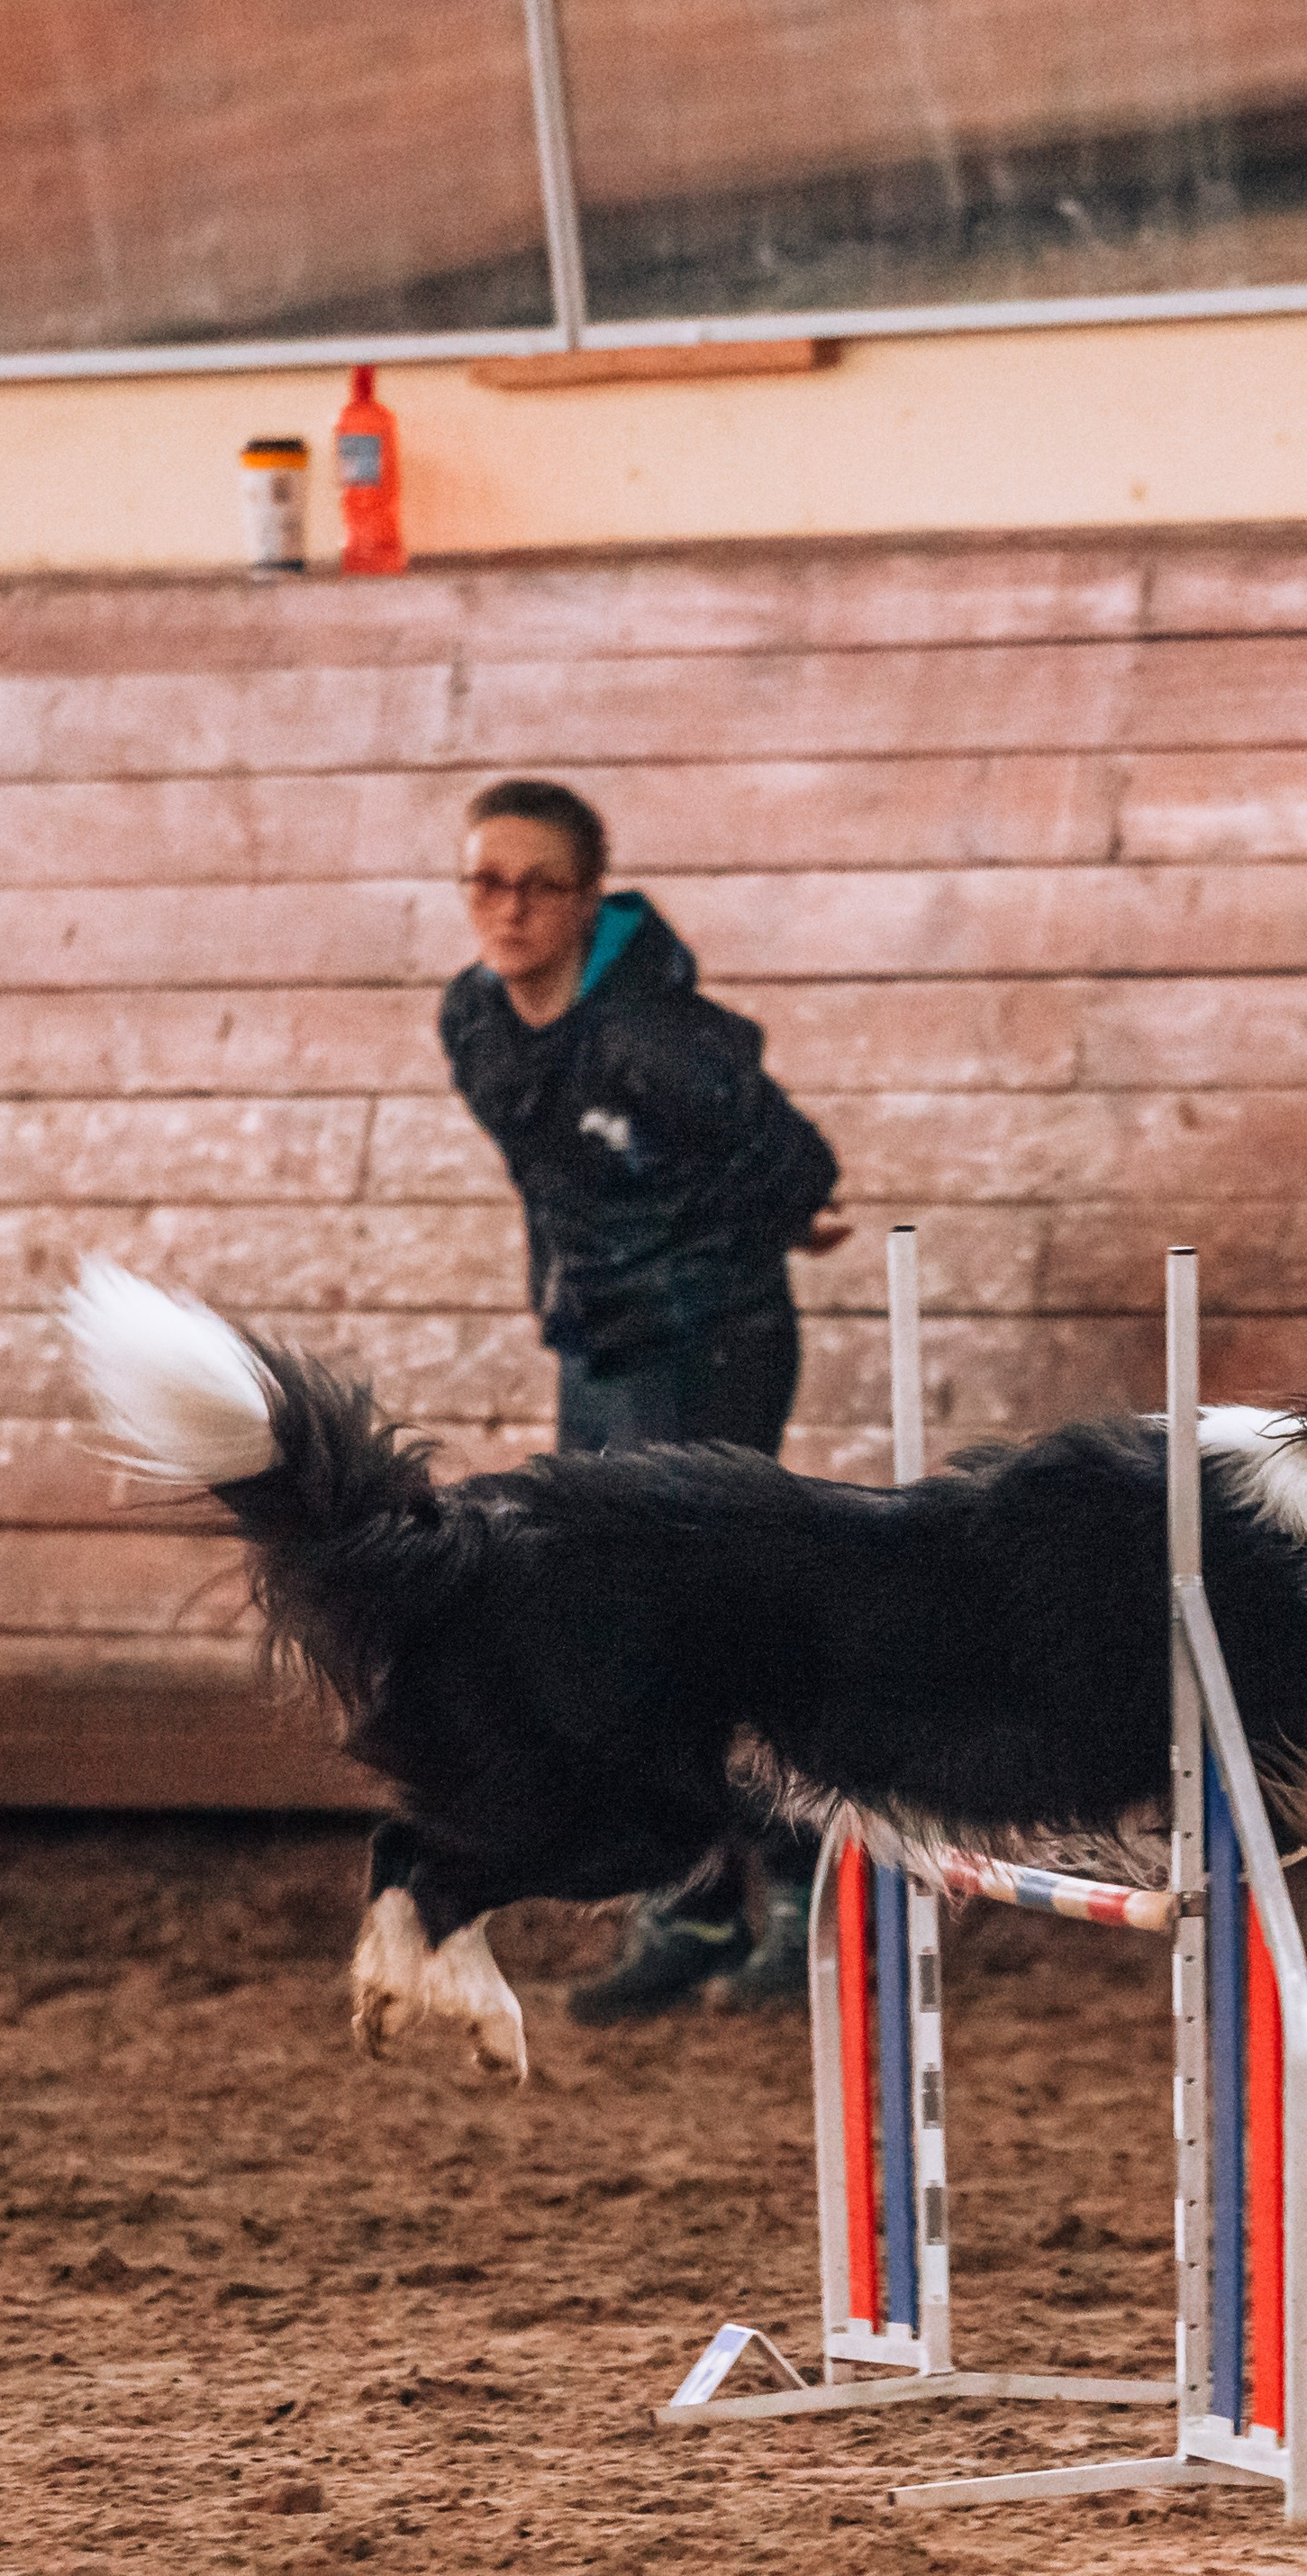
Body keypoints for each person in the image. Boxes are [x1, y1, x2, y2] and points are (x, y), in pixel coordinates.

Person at [439, 776, 849, 2019]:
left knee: (695, 1620)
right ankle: (694, 1903)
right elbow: (555, 1170)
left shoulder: (656, 1039)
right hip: (601, 1338)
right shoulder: (475, 1019)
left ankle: (809, 1893)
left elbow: (798, 1162)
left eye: (539, 885)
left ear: (588, 900)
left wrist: (763, 1222)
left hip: (709, 1336)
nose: (509, 908)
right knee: (614, 1631)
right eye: (486, 881)